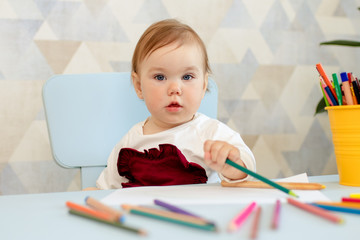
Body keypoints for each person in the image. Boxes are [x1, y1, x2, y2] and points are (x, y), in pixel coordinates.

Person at [96, 19, 255, 189]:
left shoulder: (211, 133)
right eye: (160, 77)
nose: (175, 89)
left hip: (198, 214)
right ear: (138, 86)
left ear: (203, 85)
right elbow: (106, 189)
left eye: (187, 77)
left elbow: (247, 168)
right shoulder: (130, 142)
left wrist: (234, 167)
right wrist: (94, 194)